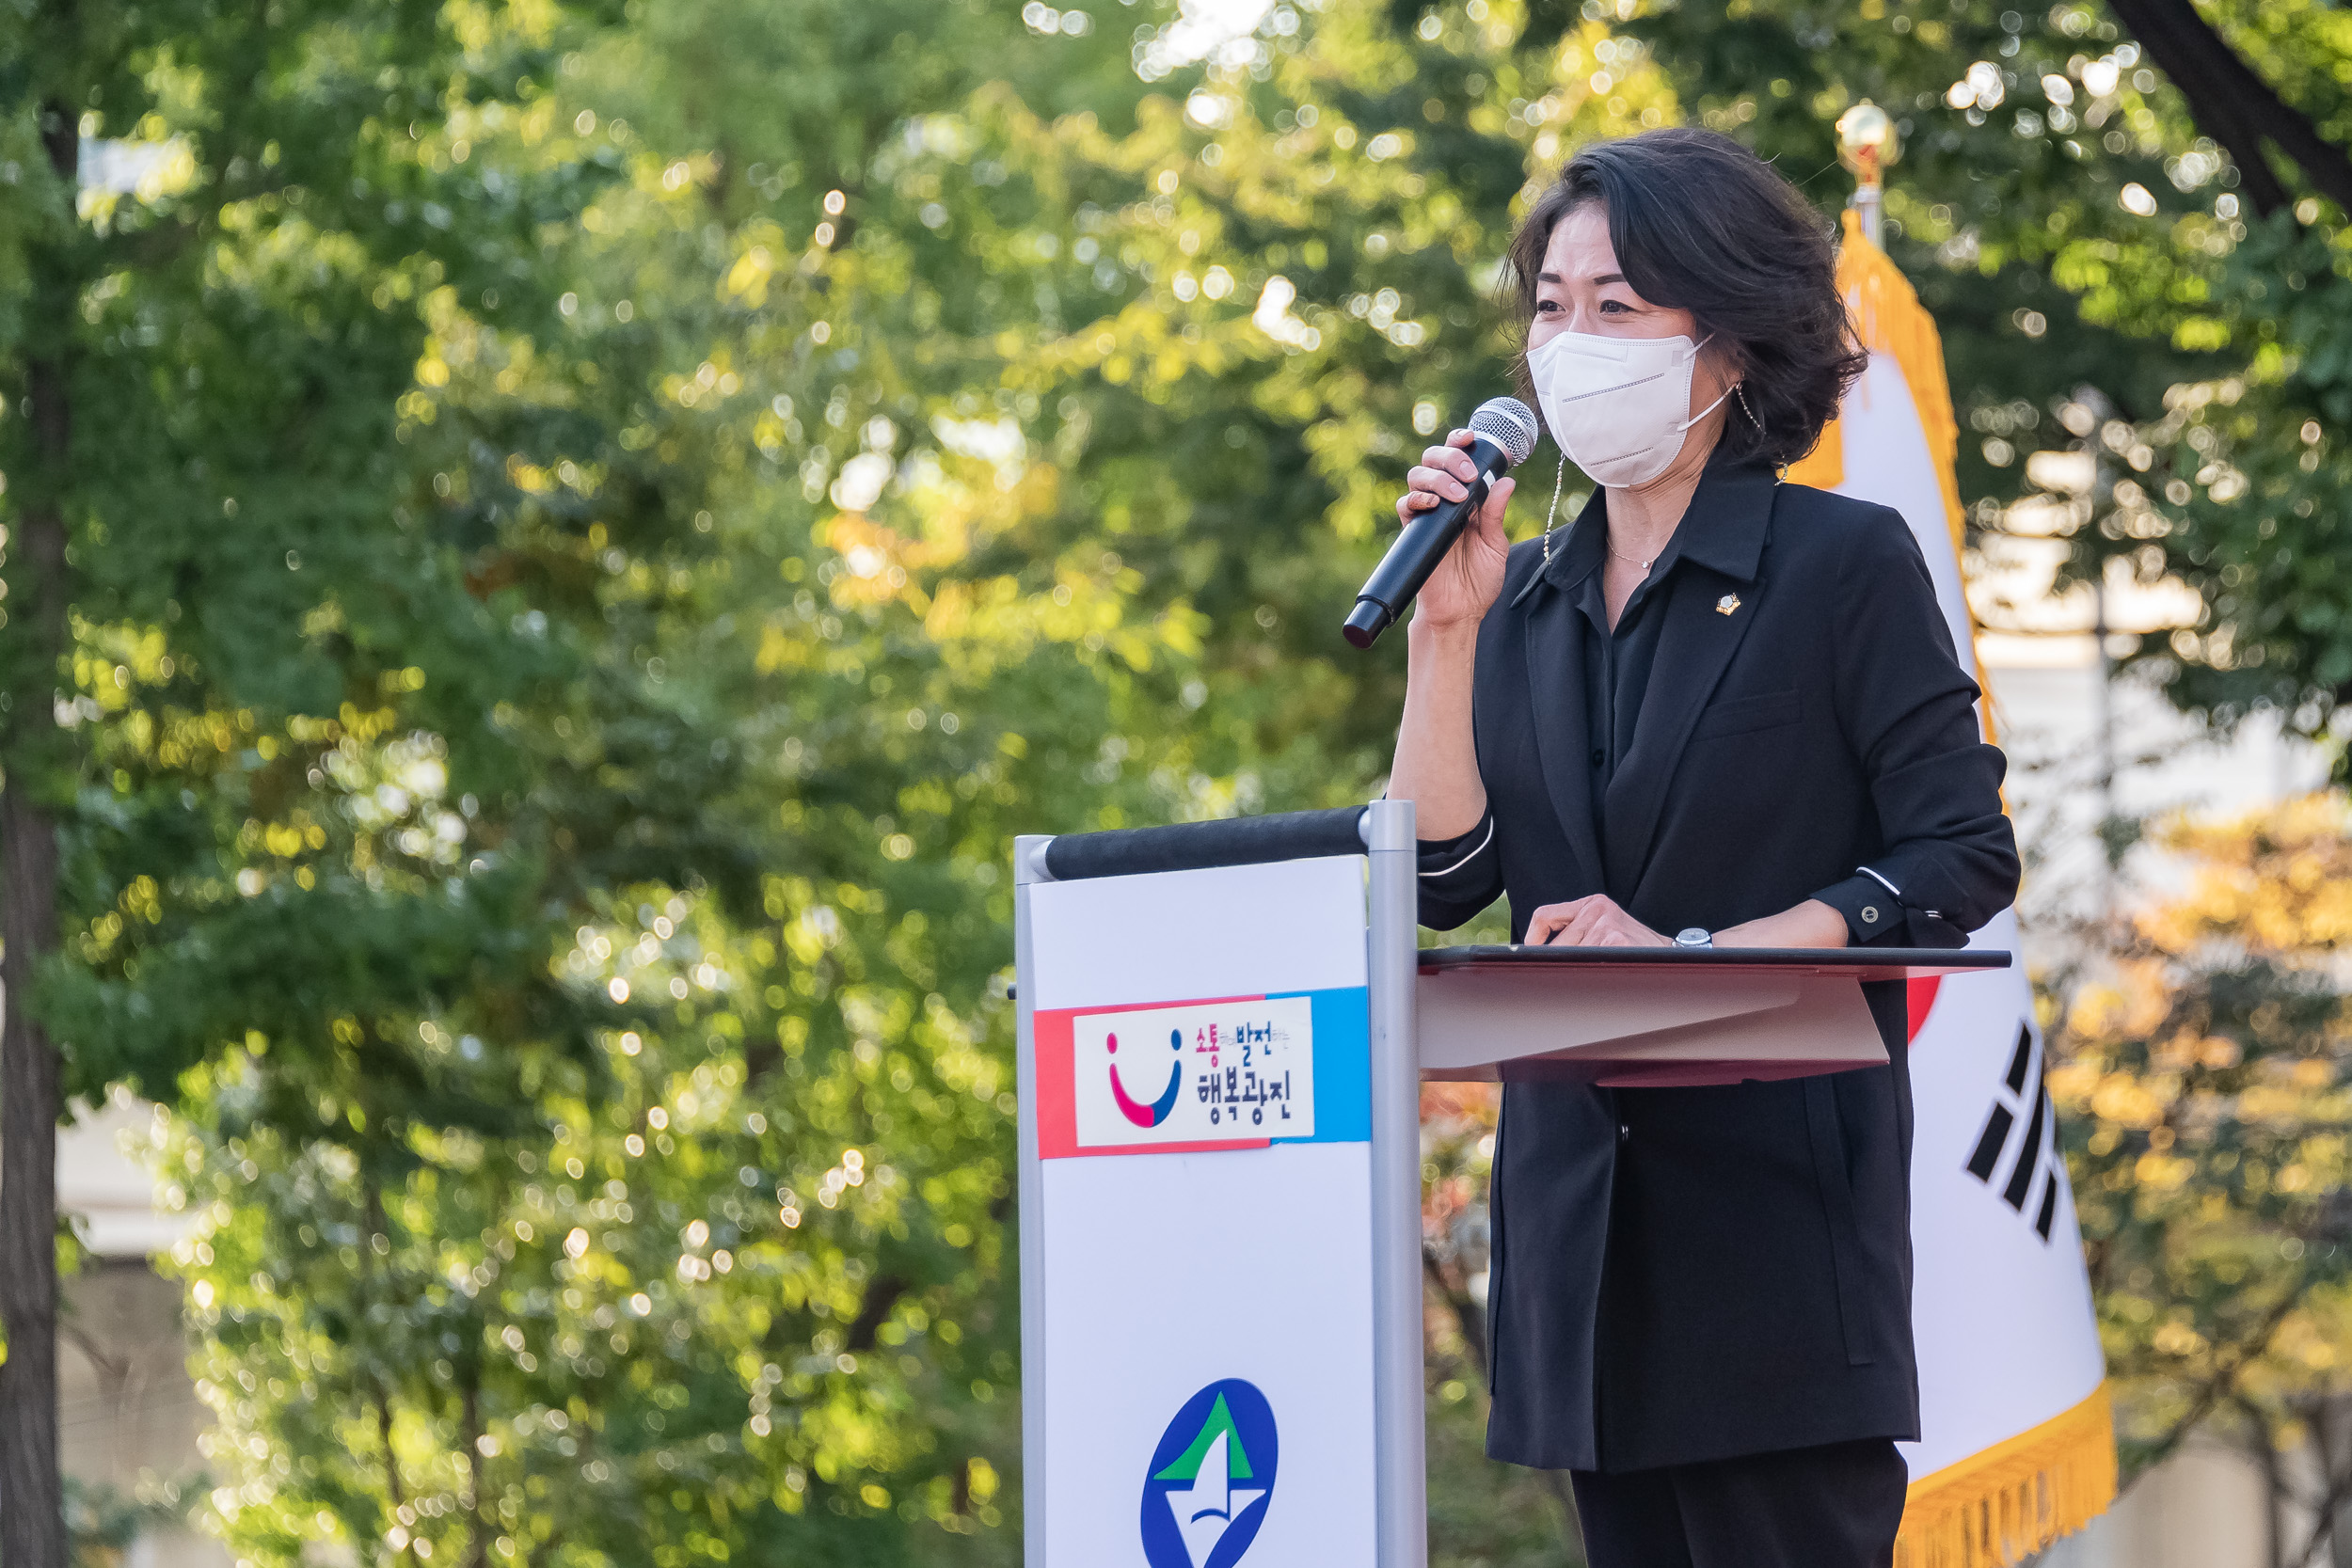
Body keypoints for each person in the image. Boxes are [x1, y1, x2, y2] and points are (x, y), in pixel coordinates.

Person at [1386, 127, 2020, 1568]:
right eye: (1551, 305)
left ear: (1729, 343)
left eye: (1619, 306)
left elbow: (1958, 857)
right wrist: (1444, 632)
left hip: (1775, 1255)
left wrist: (1693, 961)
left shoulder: (1840, 565)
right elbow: (1444, 879)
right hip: (1575, 1253)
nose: (1570, 340)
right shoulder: (1522, 592)